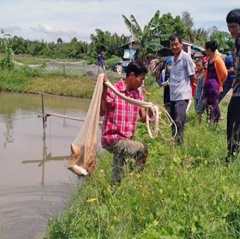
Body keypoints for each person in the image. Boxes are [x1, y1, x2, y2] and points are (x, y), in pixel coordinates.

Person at [100, 60, 148, 185]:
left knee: (118, 173)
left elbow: (143, 118)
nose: (142, 83)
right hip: (113, 139)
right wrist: (104, 90)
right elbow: (101, 112)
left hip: (126, 139)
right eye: (141, 79)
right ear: (131, 76)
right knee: (143, 149)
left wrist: (151, 113)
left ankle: (112, 193)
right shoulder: (114, 90)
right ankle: (137, 181)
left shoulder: (137, 94)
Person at [168, 34, 196, 144]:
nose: (174, 47)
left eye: (176, 44)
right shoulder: (173, 59)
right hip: (173, 95)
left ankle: (180, 145)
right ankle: (174, 144)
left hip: (182, 95)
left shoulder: (185, 57)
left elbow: (192, 76)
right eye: (172, 45)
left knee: (179, 121)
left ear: (181, 44)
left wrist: (191, 91)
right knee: (173, 122)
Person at [225, 9, 240, 163]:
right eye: (229, 27)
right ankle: (232, 155)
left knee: (234, 126)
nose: (231, 30)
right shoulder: (238, 42)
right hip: (236, 90)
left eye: (234, 26)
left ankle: (232, 157)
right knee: (233, 125)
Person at [203, 40, 228, 124]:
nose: (205, 51)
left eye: (205, 49)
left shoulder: (218, 59)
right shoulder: (209, 59)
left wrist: (219, 82)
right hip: (207, 86)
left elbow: (225, 73)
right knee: (208, 104)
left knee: (214, 104)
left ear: (209, 49)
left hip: (214, 87)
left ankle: (215, 122)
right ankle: (210, 120)